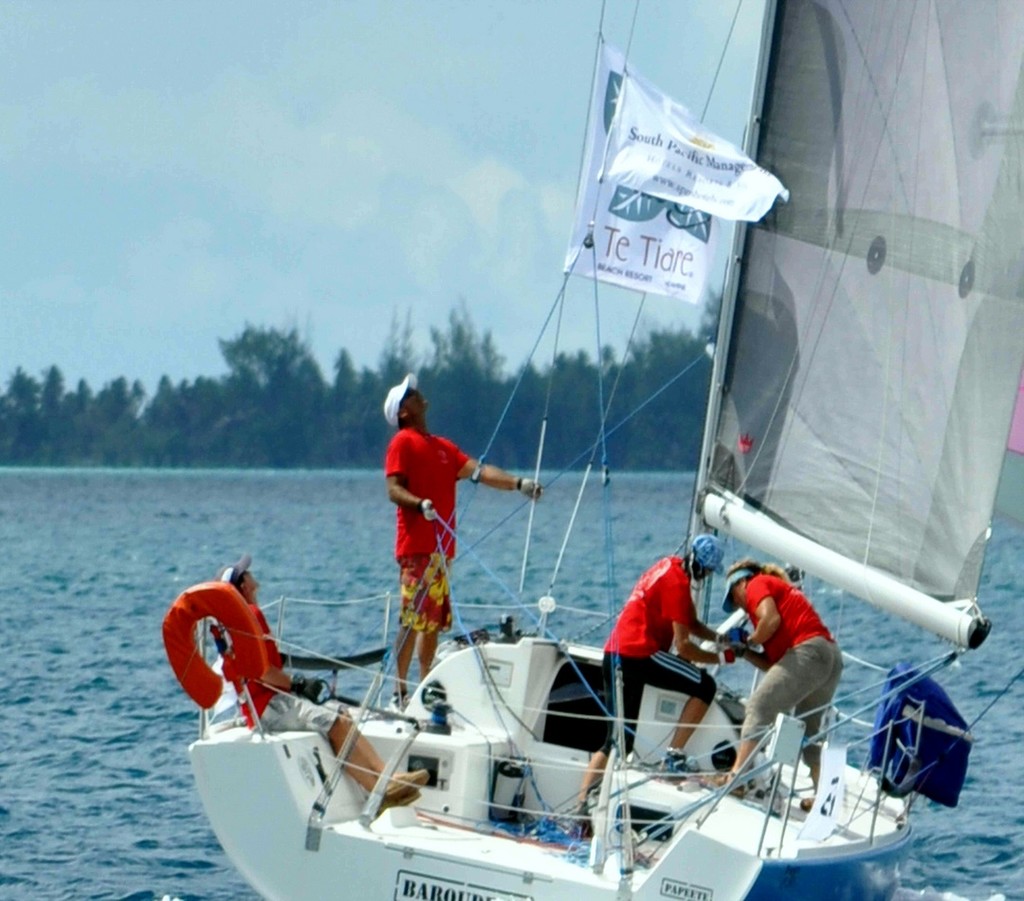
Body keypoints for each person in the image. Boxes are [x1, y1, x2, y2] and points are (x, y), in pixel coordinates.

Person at [218, 554, 429, 810]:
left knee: (343, 715)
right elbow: (262, 672)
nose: (254, 577)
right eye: (248, 574)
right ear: (243, 586)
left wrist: (295, 686)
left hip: (274, 700)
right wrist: (298, 684)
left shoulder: (238, 622)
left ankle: (386, 782)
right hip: (269, 706)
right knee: (337, 721)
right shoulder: (251, 615)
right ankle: (381, 789)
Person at [383, 372, 543, 707]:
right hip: (417, 548)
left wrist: (518, 484)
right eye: (410, 393)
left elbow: (479, 472)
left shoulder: (443, 447)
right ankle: (399, 692)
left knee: (433, 625)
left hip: (442, 552)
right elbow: (394, 488)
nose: (418, 393)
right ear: (403, 411)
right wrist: (420, 504)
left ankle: (426, 688)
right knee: (412, 619)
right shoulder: (402, 442)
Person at [575, 535, 737, 813]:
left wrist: (720, 639)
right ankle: (674, 757)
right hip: (639, 655)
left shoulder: (667, 566)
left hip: (614, 655)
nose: (708, 577)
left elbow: (691, 623)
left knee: (616, 742)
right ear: (701, 567)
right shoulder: (677, 584)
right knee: (705, 685)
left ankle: (580, 807)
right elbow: (685, 647)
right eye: (709, 571)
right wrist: (721, 657)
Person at [717, 558, 843, 809]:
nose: (739, 606)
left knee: (757, 708)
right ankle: (822, 797)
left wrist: (750, 640)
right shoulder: (775, 595)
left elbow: (770, 620)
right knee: (811, 733)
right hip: (828, 656)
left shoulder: (756, 584)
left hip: (808, 652)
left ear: (740, 582)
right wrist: (744, 651)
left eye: (734, 597)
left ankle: (736, 779)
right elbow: (774, 666)